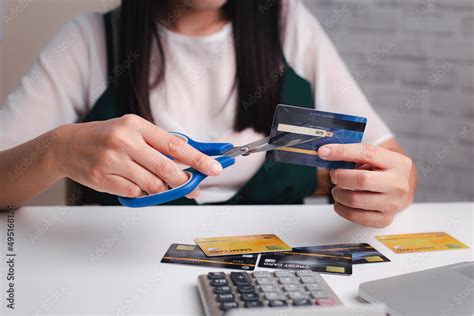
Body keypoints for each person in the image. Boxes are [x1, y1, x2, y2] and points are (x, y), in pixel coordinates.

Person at [0, 0, 416, 228]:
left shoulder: (290, 22)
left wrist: (387, 190)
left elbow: (390, 160)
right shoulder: (87, 39)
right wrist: (57, 151)